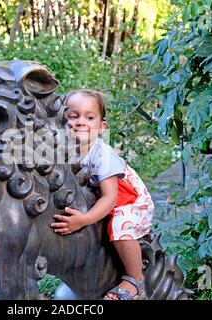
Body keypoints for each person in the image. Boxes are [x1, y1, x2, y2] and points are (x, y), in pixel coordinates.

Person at [50, 89, 154, 300]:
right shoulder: (65, 149)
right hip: (103, 199)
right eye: (73, 116)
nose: (80, 122)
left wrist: (85, 219)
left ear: (101, 127)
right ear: (62, 120)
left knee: (118, 225)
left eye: (89, 117)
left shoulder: (102, 155)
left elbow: (111, 198)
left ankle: (134, 280)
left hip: (130, 201)